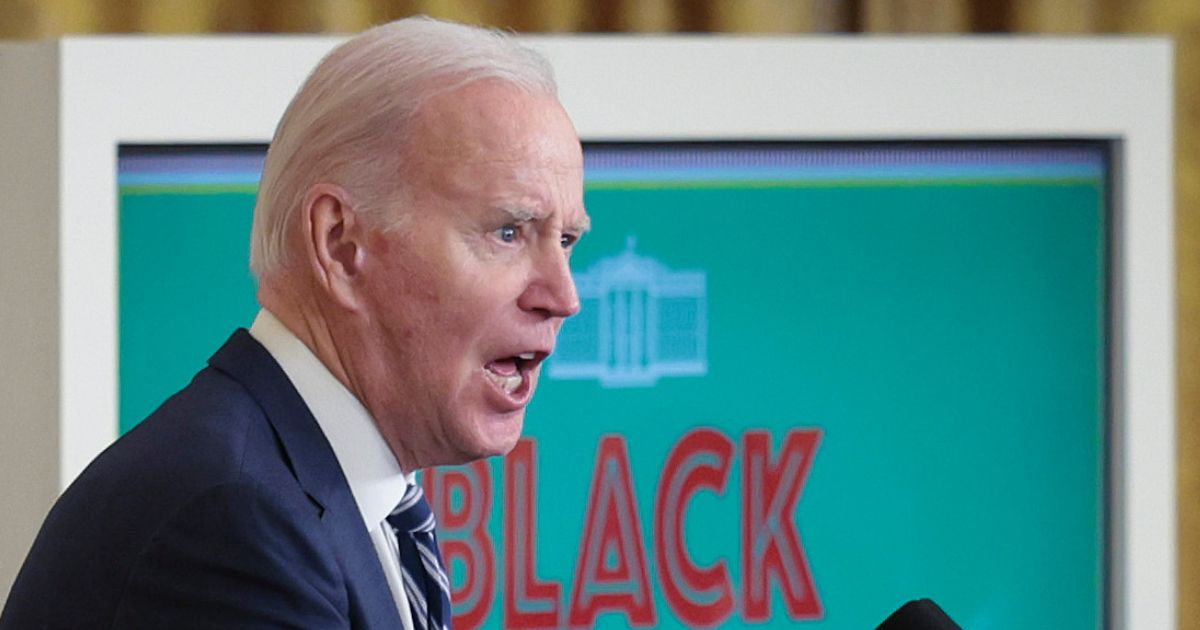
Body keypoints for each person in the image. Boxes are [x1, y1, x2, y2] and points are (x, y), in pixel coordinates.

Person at [0, 16, 588, 630]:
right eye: (508, 232)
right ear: (339, 244)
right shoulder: (230, 522)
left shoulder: (330, 495)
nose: (563, 296)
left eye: (567, 238)